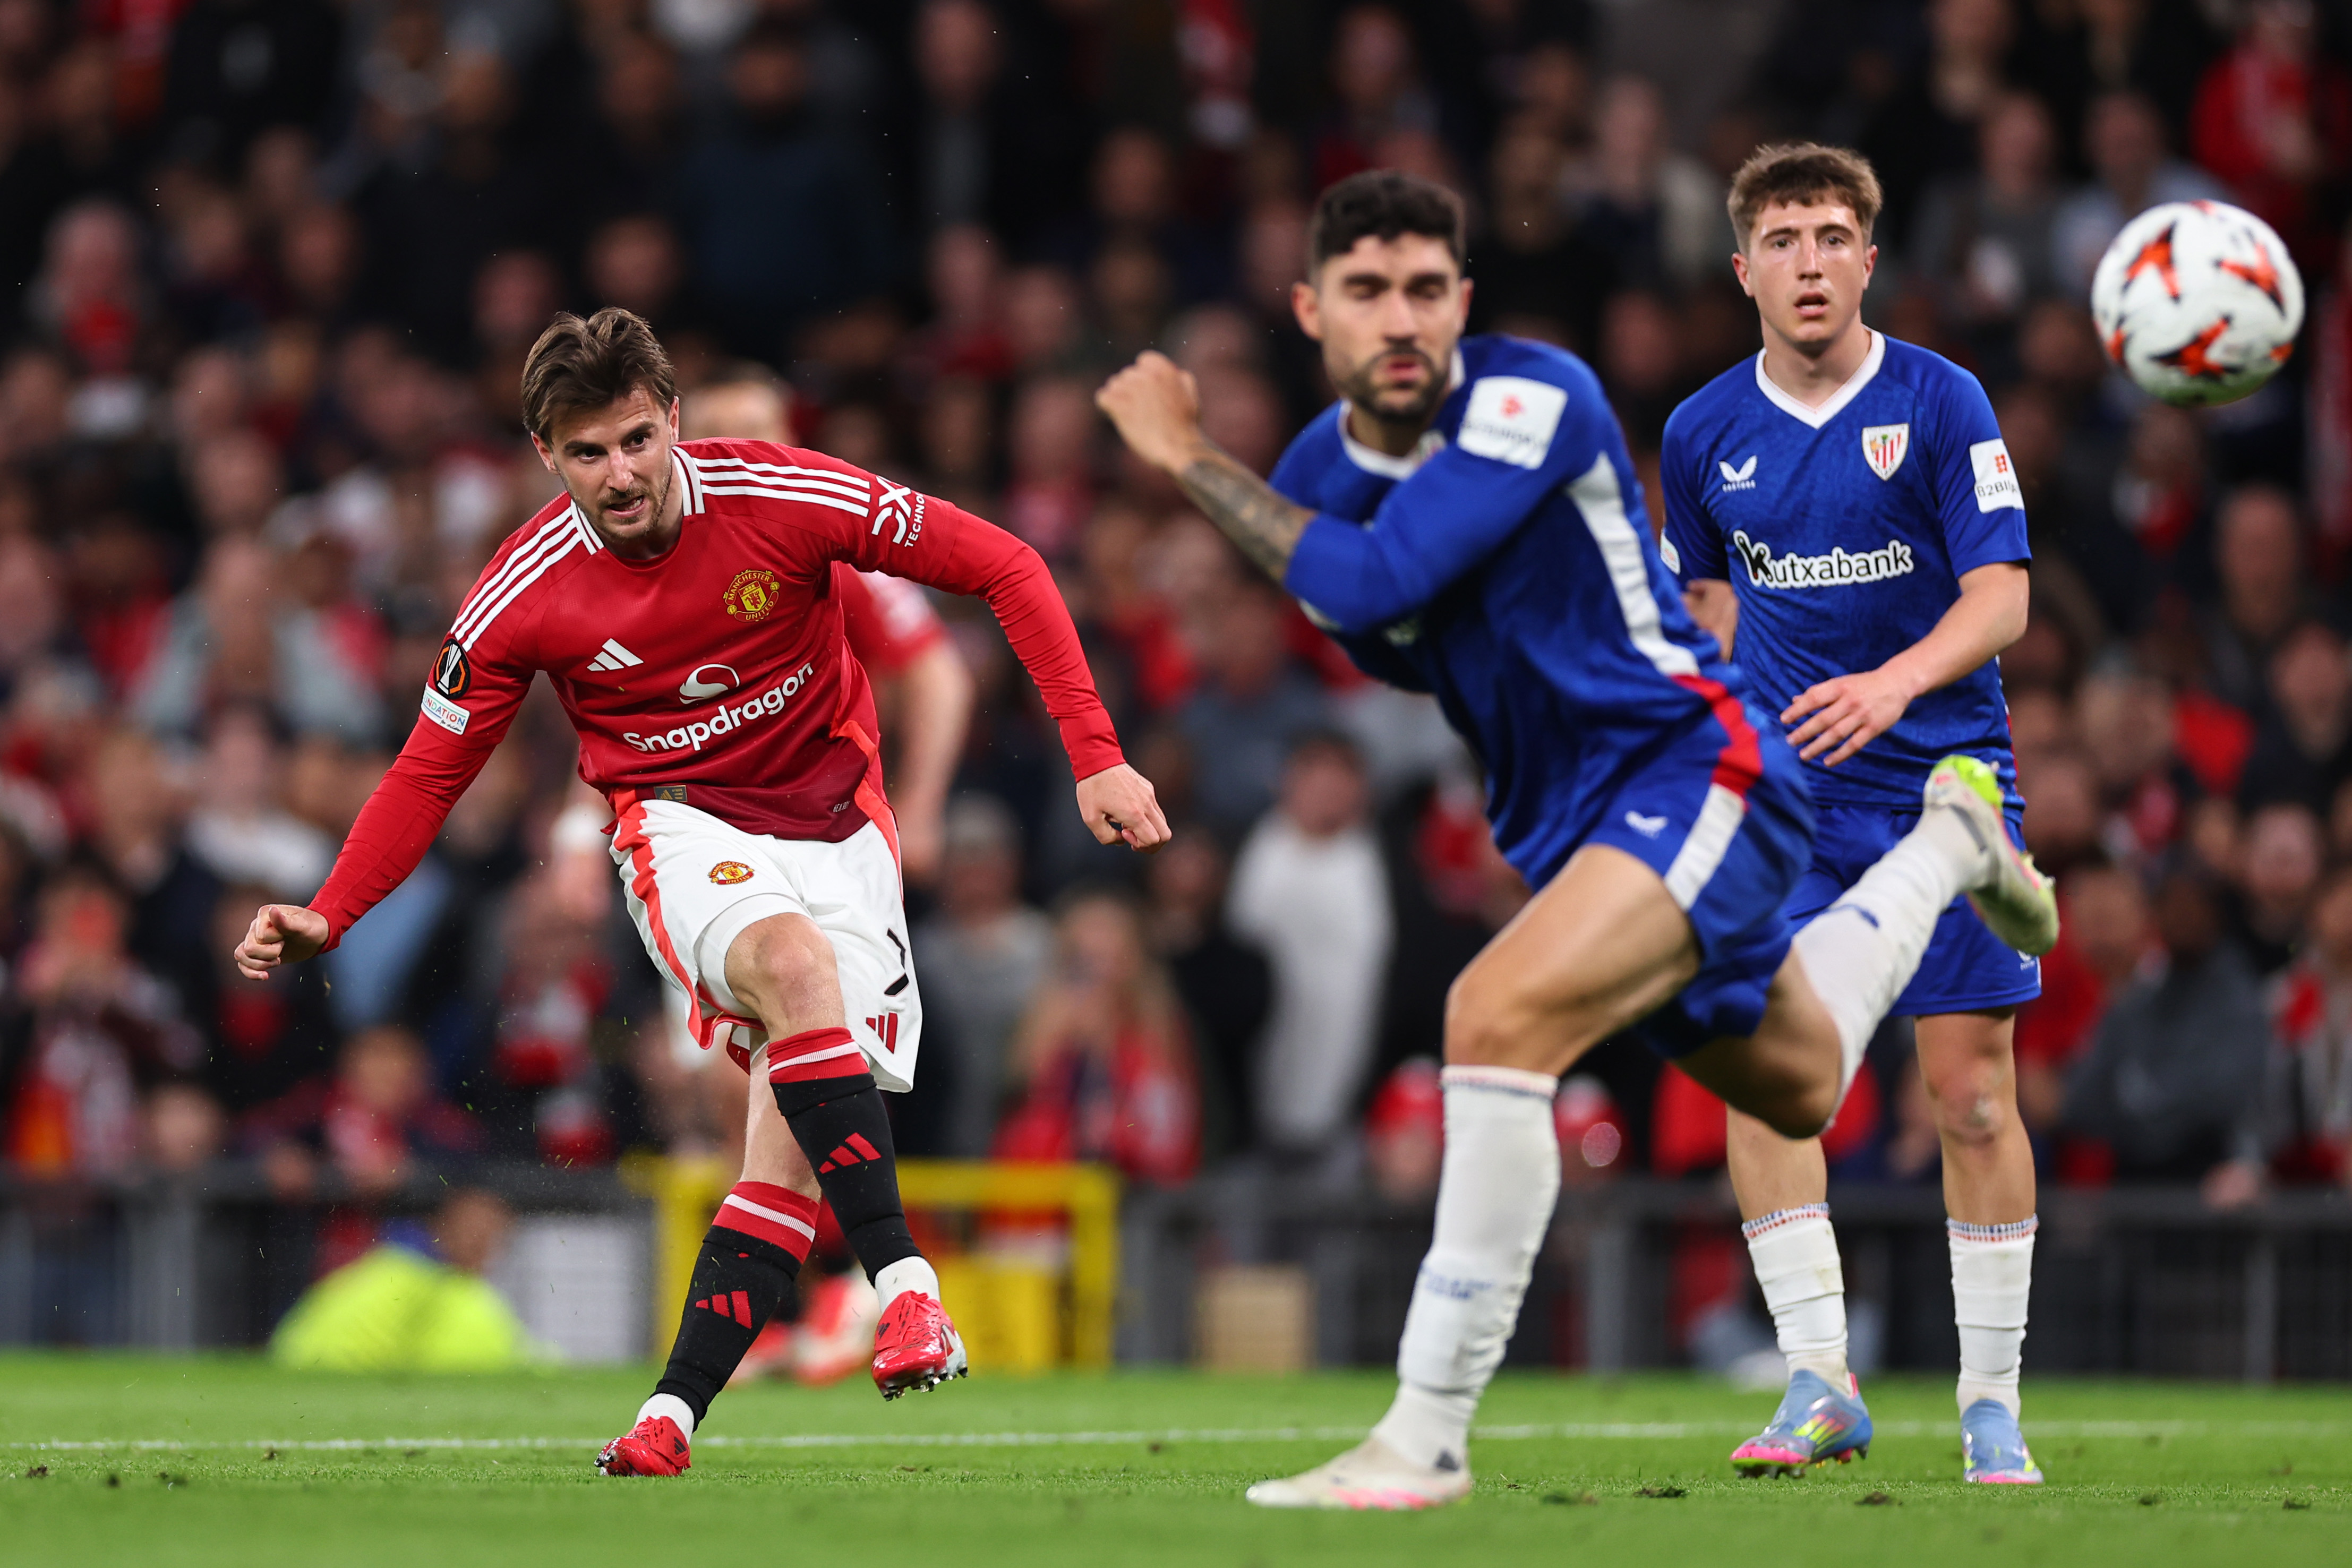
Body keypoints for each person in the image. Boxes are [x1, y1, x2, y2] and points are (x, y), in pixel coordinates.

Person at [1096, 169, 2056, 1511]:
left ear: (1464, 302)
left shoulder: (1533, 395)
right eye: (1368, 291)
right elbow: (1375, 633)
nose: (1402, 319)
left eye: (1427, 288)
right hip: (1572, 811)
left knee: (1492, 1012)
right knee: (1795, 1078)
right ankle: (1947, 853)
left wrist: (1188, 458)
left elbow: (1367, 581)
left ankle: (1424, 1435)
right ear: (1312, 311)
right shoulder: (1326, 472)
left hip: (1695, 763)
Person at [232, 308, 1167, 1478]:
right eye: (586, 453)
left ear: (670, 419)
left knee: (783, 1147)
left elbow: (1006, 565)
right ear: (546, 456)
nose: (618, 475)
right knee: (794, 967)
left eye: (634, 439)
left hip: (843, 834)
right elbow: (432, 765)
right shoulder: (522, 590)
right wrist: (334, 906)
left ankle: (668, 1418)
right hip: (679, 830)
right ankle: (907, 1287)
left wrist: (1095, 754)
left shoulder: (785, 494)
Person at [1658, 143, 2047, 1486]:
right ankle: (1819, 1376)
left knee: (1971, 1094)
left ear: (1869, 259)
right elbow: (1701, 611)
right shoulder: (1701, 434)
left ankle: (1988, 1401)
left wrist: (1890, 684)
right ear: (1744, 268)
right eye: (1783, 239)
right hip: (1785, 802)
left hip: (1942, 787)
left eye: (1832, 236)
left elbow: (2001, 597)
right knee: (1760, 1070)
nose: (1809, 261)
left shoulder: (1941, 401)